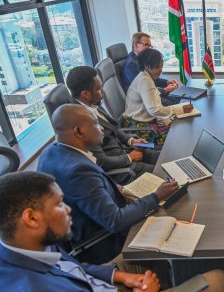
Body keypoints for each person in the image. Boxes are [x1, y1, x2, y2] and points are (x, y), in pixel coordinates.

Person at [0, 171, 224, 292]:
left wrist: (118, 275)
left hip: (103, 288)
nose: (69, 209)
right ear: (31, 218)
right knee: (221, 279)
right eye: (60, 204)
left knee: (157, 251)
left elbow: (73, 269)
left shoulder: (24, 246)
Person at [37, 104, 179, 264]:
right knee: (174, 218)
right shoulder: (78, 172)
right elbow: (115, 221)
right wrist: (156, 196)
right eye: (96, 124)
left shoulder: (52, 151)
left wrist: (115, 188)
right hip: (105, 242)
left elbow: (90, 190)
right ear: (78, 131)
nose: (101, 129)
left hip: (95, 221)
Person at [66, 66, 159, 185]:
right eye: (99, 89)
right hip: (122, 169)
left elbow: (114, 128)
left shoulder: (92, 102)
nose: (103, 91)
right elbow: (100, 161)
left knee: (165, 154)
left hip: (127, 150)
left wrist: (131, 141)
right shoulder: (80, 120)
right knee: (164, 172)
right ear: (85, 94)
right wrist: (129, 157)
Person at [124, 48, 193, 146]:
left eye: (161, 67)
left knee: (179, 125)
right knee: (179, 133)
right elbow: (155, 110)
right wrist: (179, 109)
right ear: (147, 66)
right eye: (158, 67)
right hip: (140, 129)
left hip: (146, 121)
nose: (161, 71)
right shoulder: (145, 81)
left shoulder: (145, 76)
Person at [122, 32, 180, 97]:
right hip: (142, 101)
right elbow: (143, 89)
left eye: (150, 46)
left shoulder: (141, 59)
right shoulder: (132, 65)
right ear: (135, 45)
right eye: (146, 44)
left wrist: (167, 82)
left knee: (180, 99)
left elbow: (151, 79)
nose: (149, 48)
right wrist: (165, 90)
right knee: (176, 102)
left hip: (149, 95)